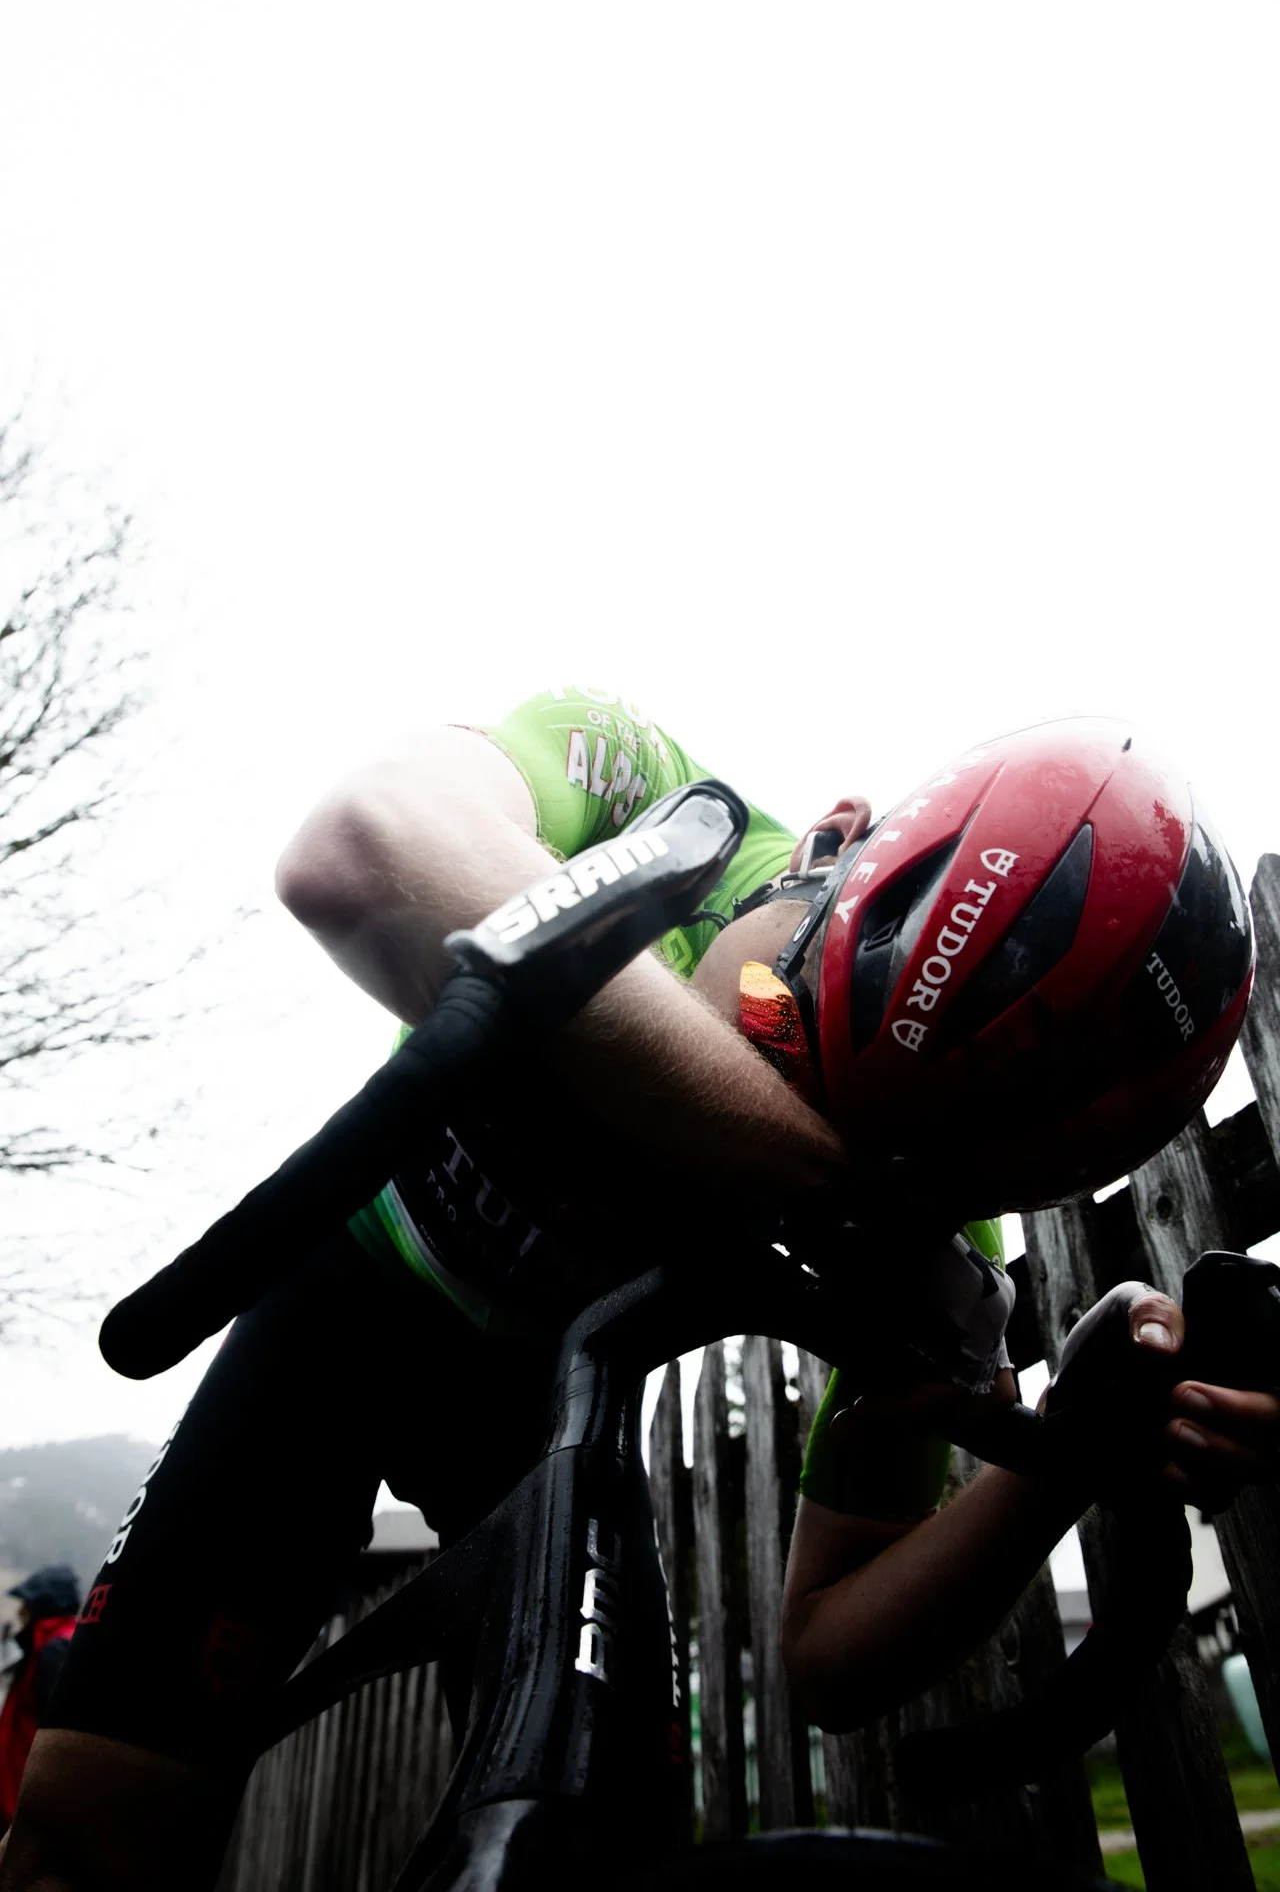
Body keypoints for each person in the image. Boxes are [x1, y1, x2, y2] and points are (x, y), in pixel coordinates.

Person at [0, 688, 1273, 1892]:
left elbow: (828, 1655)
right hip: (331, 1319)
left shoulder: (933, 1239)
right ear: (832, 844)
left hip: (544, 1418)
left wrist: (1052, 1460)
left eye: (869, 1143)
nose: (776, 1113)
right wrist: (825, 1180)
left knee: (591, 1856)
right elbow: (355, 849)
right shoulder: (649, 792)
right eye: (787, 1042)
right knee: (80, 1849)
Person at [0, 1568, 80, 1835]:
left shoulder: (56, 1652)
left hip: (22, 1801)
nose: (21, 1613)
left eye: (27, 1606)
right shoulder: (41, 1643)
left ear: (42, 1608)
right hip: (11, 1790)